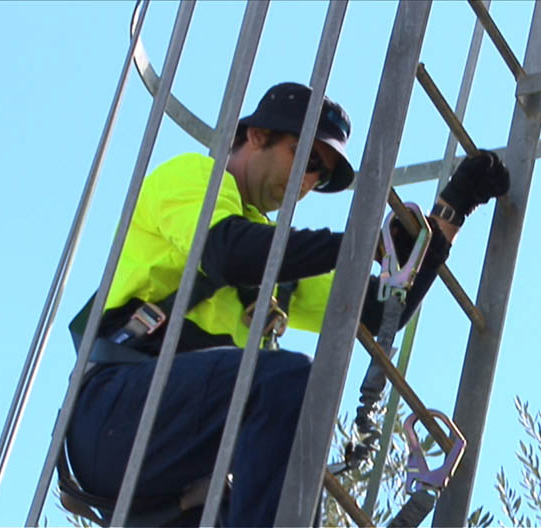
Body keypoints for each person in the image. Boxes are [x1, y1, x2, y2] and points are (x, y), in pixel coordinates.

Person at [64, 82, 509, 527]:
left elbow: (379, 314)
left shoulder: (276, 270)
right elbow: (228, 252)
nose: (310, 181)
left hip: (184, 469)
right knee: (289, 382)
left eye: (323, 176)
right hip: (117, 411)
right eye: (308, 158)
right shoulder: (194, 177)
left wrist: (448, 217)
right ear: (257, 135)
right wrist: (361, 244)